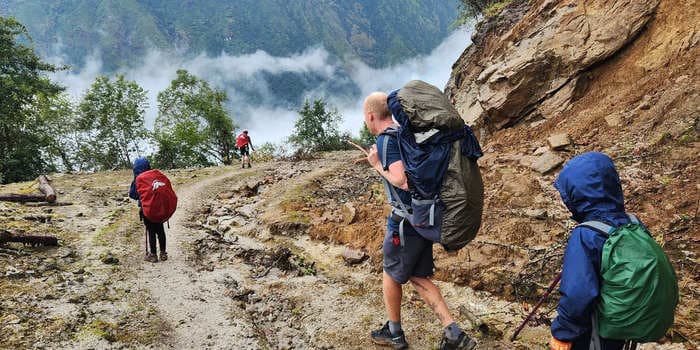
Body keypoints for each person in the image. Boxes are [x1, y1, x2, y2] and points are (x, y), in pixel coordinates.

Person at [363, 92, 476, 350]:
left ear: (371, 116)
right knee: (417, 275)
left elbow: (401, 180)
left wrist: (377, 165)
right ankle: (454, 334)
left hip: (404, 222)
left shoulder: (386, 142)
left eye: (365, 118)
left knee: (391, 273)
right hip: (422, 217)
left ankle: (394, 333)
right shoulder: (404, 132)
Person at [549, 152, 654, 350]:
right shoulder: (633, 222)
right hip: (626, 318)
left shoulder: (586, 234)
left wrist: (563, 333)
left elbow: (577, 293)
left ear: (576, 195)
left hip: (595, 328)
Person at [128, 157, 167, 263]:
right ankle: (163, 253)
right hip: (159, 208)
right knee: (160, 230)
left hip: (146, 210)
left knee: (151, 231)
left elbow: (132, 194)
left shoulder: (137, 179)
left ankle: (153, 255)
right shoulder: (154, 176)